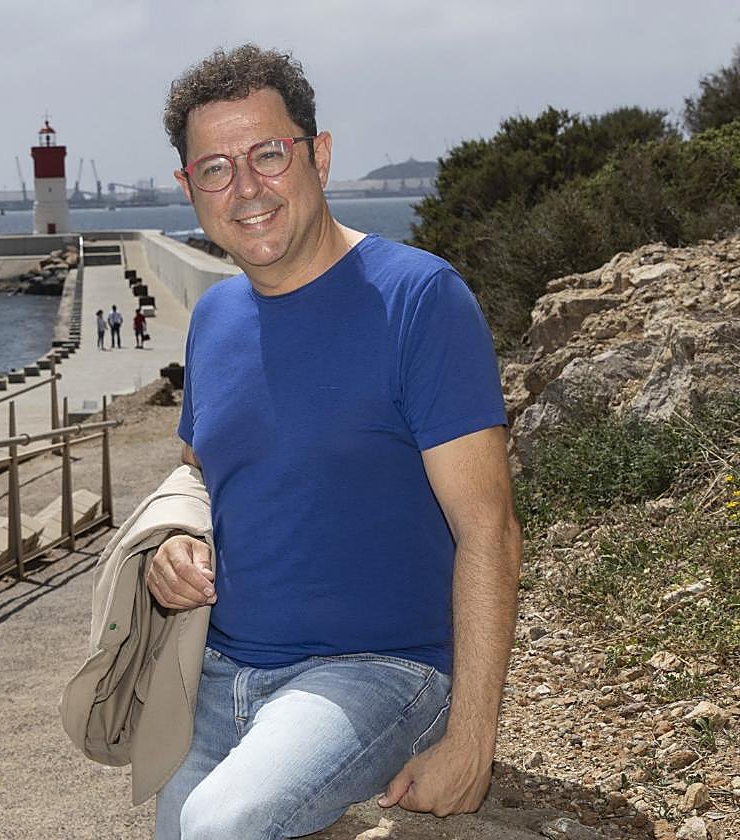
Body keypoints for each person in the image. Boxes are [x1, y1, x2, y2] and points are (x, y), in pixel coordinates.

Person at [147, 45, 522, 838]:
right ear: (189, 189)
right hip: (220, 670)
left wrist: (472, 745)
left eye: (268, 155)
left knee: (219, 826)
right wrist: (174, 543)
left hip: (378, 671)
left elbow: (488, 527)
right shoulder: (214, 320)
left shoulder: (420, 299)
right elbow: (199, 473)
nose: (245, 188)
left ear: (317, 154)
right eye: (214, 168)